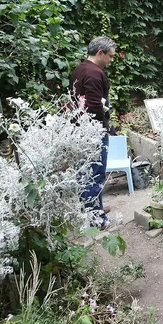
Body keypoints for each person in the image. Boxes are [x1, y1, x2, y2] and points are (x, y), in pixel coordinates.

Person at [70, 36, 117, 229]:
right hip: (93, 132)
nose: (111, 60)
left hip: (80, 129)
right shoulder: (94, 73)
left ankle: (94, 208)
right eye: (110, 56)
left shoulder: (80, 69)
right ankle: (97, 219)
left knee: (86, 172)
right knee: (94, 173)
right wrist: (104, 128)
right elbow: (94, 105)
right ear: (100, 53)